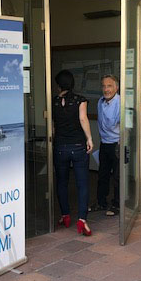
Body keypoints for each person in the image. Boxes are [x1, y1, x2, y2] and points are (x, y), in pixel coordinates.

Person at [53, 69, 94, 236]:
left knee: (61, 182)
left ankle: (65, 216)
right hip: (78, 146)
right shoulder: (80, 100)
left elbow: (53, 125)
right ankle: (82, 220)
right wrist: (89, 138)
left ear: (58, 85)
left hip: (60, 147)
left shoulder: (54, 102)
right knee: (82, 183)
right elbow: (83, 119)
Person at [92, 74, 120, 217]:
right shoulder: (100, 102)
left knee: (117, 176)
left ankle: (117, 205)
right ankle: (101, 202)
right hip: (104, 143)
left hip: (117, 143)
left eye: (109, 86)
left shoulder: (120, 103)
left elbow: (127, 125)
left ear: (116, 87)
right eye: (103, 86)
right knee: (102, 175)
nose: (106, 89)